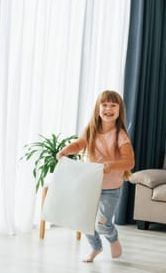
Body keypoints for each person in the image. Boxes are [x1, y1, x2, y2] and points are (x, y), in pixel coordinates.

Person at [56, 90, 135, 263]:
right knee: (83, 220)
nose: (108, 109)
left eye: (113, 105)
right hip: (90, 184)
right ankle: (96, 248)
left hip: (110, 188)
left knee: (102, 225)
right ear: (98, 108)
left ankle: (112, 238)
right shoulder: (91, 130)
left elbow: (129, 162)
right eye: (104, 105)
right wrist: (66, 150)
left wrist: (111, 165)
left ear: (119, 110)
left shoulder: (120, 135)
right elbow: (79, 144)